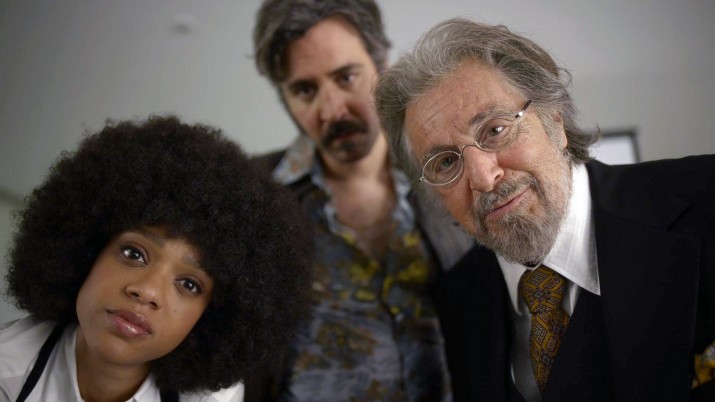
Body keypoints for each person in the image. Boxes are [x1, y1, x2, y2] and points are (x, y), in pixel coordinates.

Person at [375, 17, 715, 402]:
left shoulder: (706, 201)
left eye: (495, 130)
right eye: (446, 163)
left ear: (555, 120)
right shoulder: (454, 304)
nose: (483, 177)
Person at [249, 1, 474, 400]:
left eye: (346, 77)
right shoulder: (252, 194)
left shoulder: (452, 172)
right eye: (305, 90)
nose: (332, 110)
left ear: (382, 66)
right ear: (285, 97)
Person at [0, 116, 313, 402]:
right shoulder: (7, 369)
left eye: (189, 284)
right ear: (87, 252)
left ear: (210, 318)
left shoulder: (211, 400)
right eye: (134, 254)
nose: (147, 291)